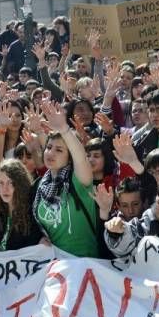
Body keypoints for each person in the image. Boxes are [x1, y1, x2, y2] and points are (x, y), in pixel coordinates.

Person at [32, 101, 101, 258]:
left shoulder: (78, 180)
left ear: (70, 157)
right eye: (49, 148)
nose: (50, 153)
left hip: (84, 265)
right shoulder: (42, 184)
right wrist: (41, 238)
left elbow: (81, 158)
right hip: (55, 266)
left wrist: (64, 129)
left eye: (59, 150)